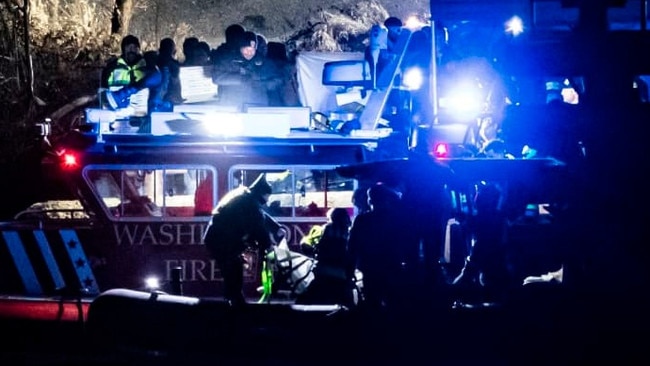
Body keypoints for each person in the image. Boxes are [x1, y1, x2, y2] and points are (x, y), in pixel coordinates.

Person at [202, 173, 276, 305]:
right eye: (267, 196)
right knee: (233, 270)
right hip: (223, 242)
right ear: (262, 193)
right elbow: (258, 227)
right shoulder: (250, 204)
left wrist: (275, 227)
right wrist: (268, 246)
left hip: (218, 239)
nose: (268, 200)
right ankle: (235, 304)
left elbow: (261, 217)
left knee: (232, 270)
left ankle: (233, 300)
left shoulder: (244, 197)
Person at [348, 183, 409, 311]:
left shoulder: (361, 220)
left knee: (371, 302)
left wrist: (350, 269)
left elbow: (353, 246)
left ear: (370, 200)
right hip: (392, 265)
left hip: (370, 267)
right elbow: (404, 242)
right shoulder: (397, 219)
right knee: (393, 302)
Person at [296, 207, 355, 307]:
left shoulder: (327, 228)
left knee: (303, 300)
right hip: (342, 274)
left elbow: (317, 245)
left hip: (323, 271)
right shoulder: (350, 231)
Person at [211, 30, 283, 110]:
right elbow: (217, 78)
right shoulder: (228, 60)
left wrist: (261, 83)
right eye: (246, 49)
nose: (249, 53)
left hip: (257, 107)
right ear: (240, 47)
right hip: (232, 107)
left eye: (252, 50)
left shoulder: (264, 63)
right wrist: (240, 79)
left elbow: (278, 81)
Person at [100, 35, 162, 111]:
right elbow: (103, 93)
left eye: (135, 47)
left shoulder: (147, 65)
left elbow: (157, 79)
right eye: (129, 47)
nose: (132, 50)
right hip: (116, 113)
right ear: (123, 49)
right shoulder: (111, 67)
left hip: (141, 114)